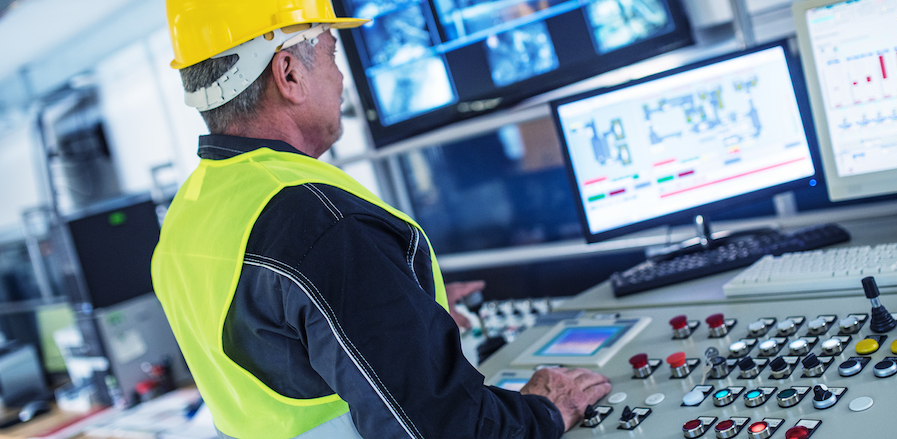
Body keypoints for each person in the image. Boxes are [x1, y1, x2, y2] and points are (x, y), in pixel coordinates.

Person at [150, 1, 611, 438]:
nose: (341, 79)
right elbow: (445, 429)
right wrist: (546, 410)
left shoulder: (184, 219)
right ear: (289, 73)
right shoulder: (322, 221)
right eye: (332, 54)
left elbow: (273, 344)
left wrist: (397, 305)